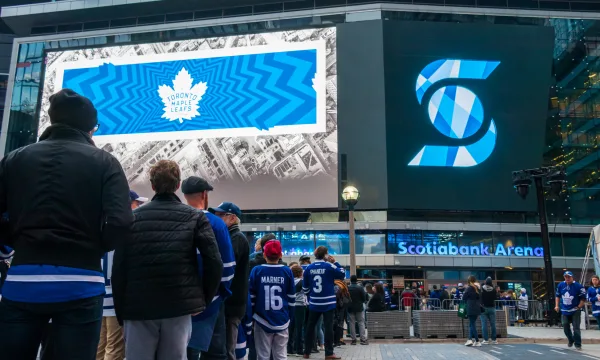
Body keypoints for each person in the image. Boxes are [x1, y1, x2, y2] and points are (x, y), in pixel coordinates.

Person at [0, 89, 133, 360]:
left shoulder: (15, 159)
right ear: (89, 128)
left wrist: (18, 242)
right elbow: (121, 222)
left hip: (22, 280)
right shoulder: (105, 162)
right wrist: (93, 247)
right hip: (81, 282)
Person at [111, 160, 223, 360]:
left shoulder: (132, 219)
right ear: (178, 185)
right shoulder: (196, 217)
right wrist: (201, 302)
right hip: (178, 307)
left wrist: (121, 311)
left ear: (153, 185)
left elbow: (119, 268)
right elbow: (214, 262)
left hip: (138, 308)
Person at [182, 177, 236, 360]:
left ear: (184, 195)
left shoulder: (179, 220)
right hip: (211, 301)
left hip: (182, 301)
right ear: (204, 194)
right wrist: (221, 292)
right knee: (214, 353)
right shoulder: (217, 223)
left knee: (184, 351)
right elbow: (228, 267)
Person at [97, 192, 144, 360]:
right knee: (115, 347)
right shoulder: (124, 229)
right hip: (114, 298)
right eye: (136, 204)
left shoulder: (102, 225)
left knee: (100, 346)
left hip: (99, 296)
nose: (138, 208)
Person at [210, 202, 251, 360]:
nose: (217, 218)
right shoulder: (230, 236)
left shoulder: (236, 239)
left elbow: (225, 265)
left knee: (227, 350)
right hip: (229, 302)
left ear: (233, 218)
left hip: (232, 304)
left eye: (221, 215)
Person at [249, 240, 295, 360]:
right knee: (281, 355)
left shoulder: (257, 270)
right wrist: (290, 317)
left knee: (263, 356)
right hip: (282, 319)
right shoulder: (287, 271)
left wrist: (251, 317)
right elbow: (291, 298)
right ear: (280, 255)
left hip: (261, 318)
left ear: (264, 254)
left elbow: (252, 297)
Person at [303, 246, 345, 360]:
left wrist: (310, 297)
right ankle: (329, 353)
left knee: (310, 327)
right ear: (326, 255)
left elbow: (305, 288)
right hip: (328, 302)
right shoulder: (329, 266)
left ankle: (306, 352)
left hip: (314, 302)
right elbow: (342, 274)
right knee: (328, 327)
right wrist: (335, 262)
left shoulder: (308, 268)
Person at [555, 271, 586, 350]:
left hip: (575, 309)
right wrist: (557, 306)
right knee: (565, 325)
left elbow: (583, 298)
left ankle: (578, 344)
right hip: (565, 310)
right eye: (566, 277)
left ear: (572, 277)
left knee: (576, 327)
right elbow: (558, 296)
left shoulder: (578, 286)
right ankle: (571, 339)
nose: (567, 278)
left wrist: (579, 306)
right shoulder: (561, 285)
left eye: (569, 277)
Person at [291, 264, 307, 356]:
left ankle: (290, 348)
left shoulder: (289, 281)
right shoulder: (302, 282)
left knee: (291, 327)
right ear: (300, 273)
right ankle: (299, 349)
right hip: (300, 305)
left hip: (291, 305)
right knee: (299, 328)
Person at [347, 275, 368, 345]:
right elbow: (364, 298)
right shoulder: (360, 288)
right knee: (361, 322)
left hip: (350, 307)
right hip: (359, 307)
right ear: (356, 280)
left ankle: (353, 340)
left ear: (350, 280)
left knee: (351, 323)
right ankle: (362, 339)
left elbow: (346, 297)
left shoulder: (348, 288)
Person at [463, 276, 482, 347]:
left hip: (470, 307)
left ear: (468, 281)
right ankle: (469, 339)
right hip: (477, 308)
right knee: (471, 324)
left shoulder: (469, 288)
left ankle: (477, 341)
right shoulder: (477, 288)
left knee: (472, 324)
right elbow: (479, 297)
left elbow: (464, 298)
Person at [480, 277, 498, 345]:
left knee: (484, 324)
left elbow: (480, 297)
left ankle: (485, 339)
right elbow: (495, 298)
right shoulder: (493, 290)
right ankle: (494, 339)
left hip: (483, 308)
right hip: (492, 308)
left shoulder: (482, 289)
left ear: (485, 282)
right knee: (493, 324)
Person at [334, 279, 350, 347]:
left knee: (337, 324)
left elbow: (336, 297)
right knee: (341, 324)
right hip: (343, 307)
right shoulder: (344, 287)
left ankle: (337, 341)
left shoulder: (336, 287)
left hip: (338, 307)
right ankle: (340, 340)